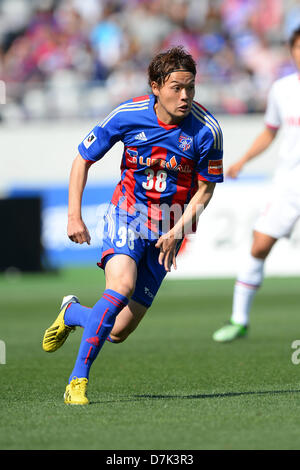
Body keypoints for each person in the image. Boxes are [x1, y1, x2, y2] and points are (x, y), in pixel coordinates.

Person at [42, 46, 224, 404]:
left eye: (190, 88)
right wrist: (74, 215)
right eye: (176, 87)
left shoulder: (207, 131)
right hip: (126, 213)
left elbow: (205, 190)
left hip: (169, 227)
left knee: (119, 330)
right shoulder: (128, 115)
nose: (185, 96)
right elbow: (82, 159)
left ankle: (72, 312)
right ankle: (77, 380)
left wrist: (179, 229)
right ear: (155, 86)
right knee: (121, 285)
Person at [213, 27, 300, 343]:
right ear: (291, 50)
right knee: (260, 244)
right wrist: (242, 160)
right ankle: (239, 320)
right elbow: (270, 131)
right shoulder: (282, 89)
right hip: (290, 184)